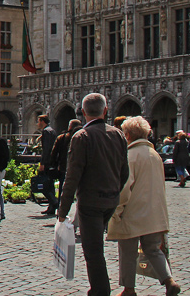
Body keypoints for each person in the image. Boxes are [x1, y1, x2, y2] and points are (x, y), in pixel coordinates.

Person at [57, 93, 129, 296]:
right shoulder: (118, 134)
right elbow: (125, 172)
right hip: (111, 200)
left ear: (82, 112)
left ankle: (100, 291)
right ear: (105, 111)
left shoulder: (81, 137)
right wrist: (115, 191)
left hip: (90, 203)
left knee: (93, 251)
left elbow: (72, 177)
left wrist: (62, 211)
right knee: (95, 248)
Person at [106, 116, 181, 296]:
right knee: (153, 249)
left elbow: (125, 188)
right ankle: (169, 281)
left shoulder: (130, 155)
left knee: (128, 252)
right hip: (154, 212)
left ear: (128, 134)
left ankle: (129, 289)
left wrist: (117, 210)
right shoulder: (155, 155)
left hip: (133, 212)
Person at [37, 115, 57, 215]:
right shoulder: (51, 130)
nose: (37, 123)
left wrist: (42, 163)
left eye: (38, 121)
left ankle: (54, 202)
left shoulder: (46, 131)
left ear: (42, 121)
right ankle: (52, 206)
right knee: (49, 184)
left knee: (45, 184)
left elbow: (47, 149)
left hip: (48, 162)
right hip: (51, 161)